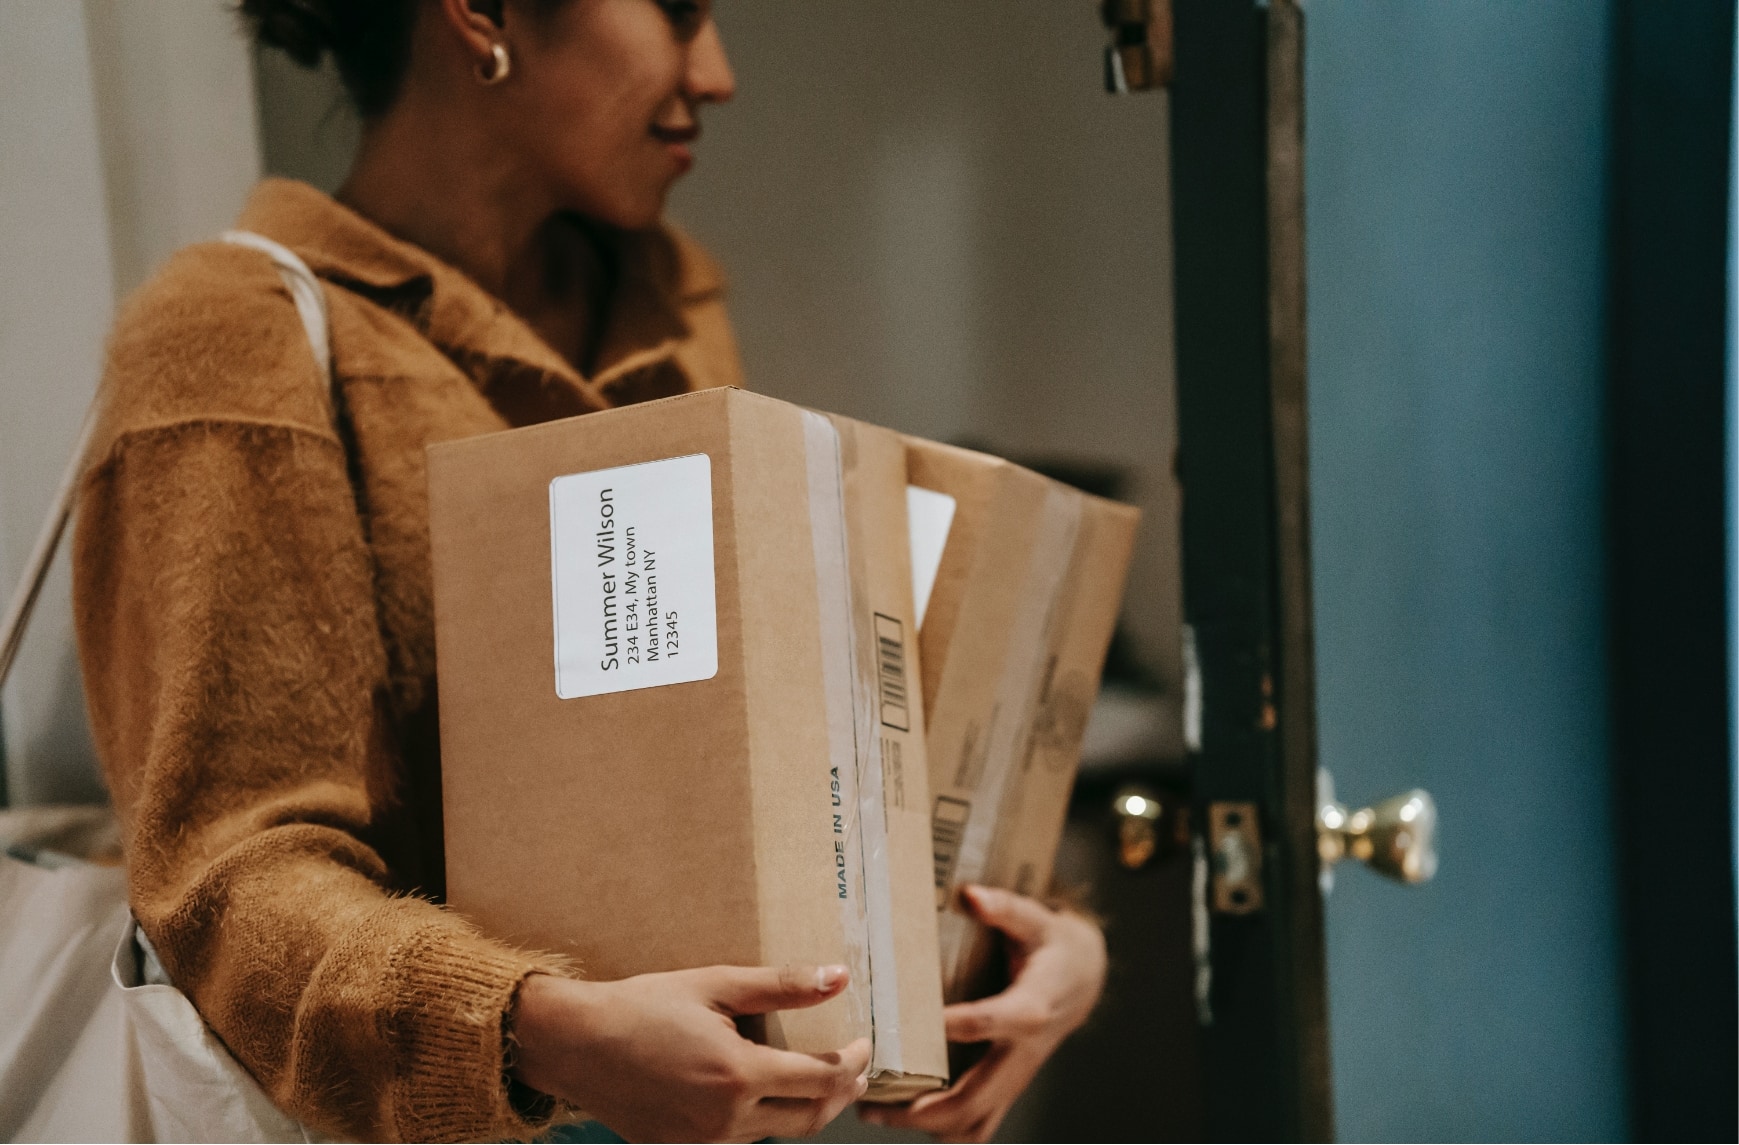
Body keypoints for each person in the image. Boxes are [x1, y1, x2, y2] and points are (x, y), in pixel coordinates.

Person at [73, 1, 1108, 1141]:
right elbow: (227, 885)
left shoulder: (662, 302)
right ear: (481, 13)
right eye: (676, 8)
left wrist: (1028, 943)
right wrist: (524, 1028)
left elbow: (763, 763)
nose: (714, 74)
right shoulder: (233, 342)